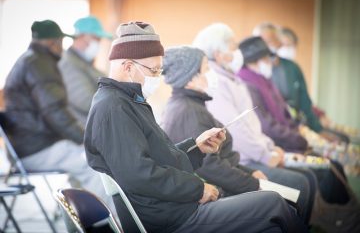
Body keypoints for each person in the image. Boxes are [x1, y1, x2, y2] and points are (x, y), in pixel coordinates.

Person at [84, 21, 308, 233]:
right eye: (153, 71)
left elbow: (160, 159)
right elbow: (139, 175)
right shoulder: (113, 108)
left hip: (173, 207)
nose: (156, 78)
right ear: (127, 67)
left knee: (272, 210)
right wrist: (197, 189)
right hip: (170, 218)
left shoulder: (128, 101)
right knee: (273, 203)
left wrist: (197, 148)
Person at [161, 45, 313, 223]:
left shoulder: (193, 105)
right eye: (206, 69)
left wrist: (250, 172)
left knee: (290, 198)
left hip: (229, 180)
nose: (212, 73)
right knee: (284, 199)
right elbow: (210, 167)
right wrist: (252, 183)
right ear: (190, 79)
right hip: (217, 191)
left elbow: (221, 158)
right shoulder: (187, 111)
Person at [3, 20, 112, 207]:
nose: (62, 48)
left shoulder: (30, 60)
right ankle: (105, 225)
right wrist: (85, 139)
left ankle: (87, 216)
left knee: (92, 158)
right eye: (61, 42)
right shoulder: (39, 64)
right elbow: (55, 111)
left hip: (29, 145)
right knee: (95, 164)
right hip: (36, 148)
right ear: (53, 42)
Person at [237, 36, 349, 204]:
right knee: (323, 171)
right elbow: (266, 125)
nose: (271, 62)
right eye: (268, 57)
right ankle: (338, 220)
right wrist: (297, 138)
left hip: (288, 140)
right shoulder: (247, 83)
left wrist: (298, 131)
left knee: (333, 165)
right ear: (256, 60)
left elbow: (285, 113)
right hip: (277, 145)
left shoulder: (263, 79)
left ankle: (342, 218)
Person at [58, 16, 112, 127]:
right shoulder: (68, 64)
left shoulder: (85, 64)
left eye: (99, 40)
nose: (98, 43)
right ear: (80, 37)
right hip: (84, 132)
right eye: (95, 38)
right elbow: (87, 101)